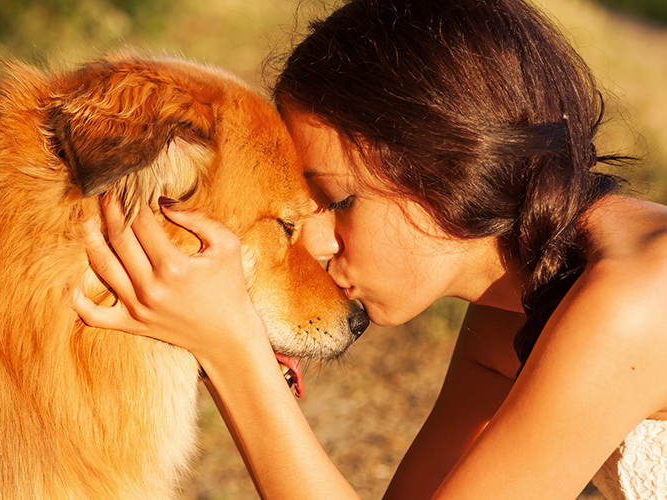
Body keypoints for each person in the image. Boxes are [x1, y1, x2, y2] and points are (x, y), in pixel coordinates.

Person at [73, 0, 667, 498]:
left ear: (444, 167)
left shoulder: (634, 299)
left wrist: (231, 347)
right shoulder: (509, 310)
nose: (314, 238)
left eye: (338, 200)